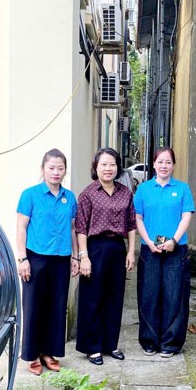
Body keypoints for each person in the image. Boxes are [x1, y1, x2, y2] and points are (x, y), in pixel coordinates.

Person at [16, 148, 79, 375]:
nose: (56, 172)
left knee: (57, 306)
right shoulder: (30, 195)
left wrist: (76, 257)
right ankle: (32, 355)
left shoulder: (69, 197)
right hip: (36, 258)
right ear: (43, 169)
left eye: (60, 168)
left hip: (61, 259)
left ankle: (49, 352)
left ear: (65, 171)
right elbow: (21, 227)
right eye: (51, 168)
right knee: (34, 307)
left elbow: (72, 229)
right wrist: (22, 258)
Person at [75, 148, 137, 365]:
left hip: (117, 248)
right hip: (95, 248)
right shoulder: (88, 194)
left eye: (112, 164)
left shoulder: (125, 193)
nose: (108, 168)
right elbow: (81, 228)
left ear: (118, 167)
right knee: (93, 298)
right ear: (96, 167)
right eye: (104, 164)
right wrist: (83, 256)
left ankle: (111, 344)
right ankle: (93, 347)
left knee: (114, 297)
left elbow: (131, 224)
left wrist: (130, 251)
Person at [134, 146, 195, 358]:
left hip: (176, 249)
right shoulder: (143, 190)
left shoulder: (182, 188)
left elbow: (186, 216)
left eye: (168, 162)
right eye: (160, 161)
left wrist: (174, 240)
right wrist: (148, 242)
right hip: (149, 249)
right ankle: (149, 341)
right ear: (153, 164)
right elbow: (138, 218)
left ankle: (171, 342)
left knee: (175, 295)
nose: (164, 166)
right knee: (149, 294)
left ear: (173, 165)